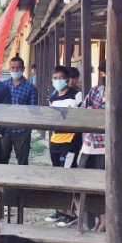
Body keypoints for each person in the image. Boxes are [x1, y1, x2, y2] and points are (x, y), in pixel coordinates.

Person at [45, 66, 82, 227]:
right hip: (56, 139)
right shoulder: (53, 96)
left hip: (71, 140)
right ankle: (60, 210)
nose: (58, 81)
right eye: (55, 78)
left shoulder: (76, 94)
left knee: (68, 175)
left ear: (67, 79)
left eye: (61, 78)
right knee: (57, 175)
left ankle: (72, 213)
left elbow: (82, 115)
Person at [78, 63, 107, 231]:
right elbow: (83, 109)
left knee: (103, 184)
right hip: (89, 144)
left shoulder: (120, 93)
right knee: (86, 183)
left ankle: (105, 218)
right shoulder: (95, 91)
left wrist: (93, 112)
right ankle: (98, 217)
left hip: (106, 147)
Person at [2, 56, 38, 164]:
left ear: (23, 68)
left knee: (22, 162)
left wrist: (27, 129)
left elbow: (33, 110)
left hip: (22, 131)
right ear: (9, 68)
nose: (15, 70)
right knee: (2, 160)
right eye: (12, 68)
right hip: (5, 130)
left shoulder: (30, 87)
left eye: (18, 67)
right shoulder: (4, 86)